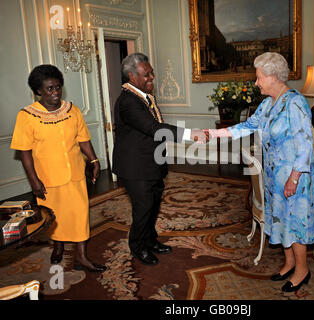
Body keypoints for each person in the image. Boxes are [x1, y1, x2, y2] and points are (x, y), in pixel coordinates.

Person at [207, 52, 314, 292]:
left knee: (295, 223)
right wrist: (214, 134)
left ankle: (302, 271)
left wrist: (294, 177)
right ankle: (289, 263)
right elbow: (248, 126)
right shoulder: (268, 103)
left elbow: (305, 145)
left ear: (272, 76)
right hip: (274, 176)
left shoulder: (295, 102)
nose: (256, 82)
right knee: (281, 219)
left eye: (259, 77)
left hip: (294, 177)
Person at [112, 53, 207, 266]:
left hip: (151, 162)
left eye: (151, 72)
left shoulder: (143, 97)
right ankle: (138, 248)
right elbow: (154, 129)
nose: (152, 77)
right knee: (143, 207)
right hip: (135, 167)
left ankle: (150, 241)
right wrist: (190, 133)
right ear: (131, 76)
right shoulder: (128, 101)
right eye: (146, 75)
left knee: (153, 206)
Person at [10, 64, 106, 272]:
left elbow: (83, 140)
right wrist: (34, 180)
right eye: (50, 89)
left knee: (80, 214)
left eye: (58, 87)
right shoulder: (27, 116)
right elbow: (25, 152)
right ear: (38, 91)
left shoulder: (72, 111)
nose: (56, 92)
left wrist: (94, 160)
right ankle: (58, 246)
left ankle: (81, 257)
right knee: (54, 217)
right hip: (47, 177)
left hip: (75, 173)